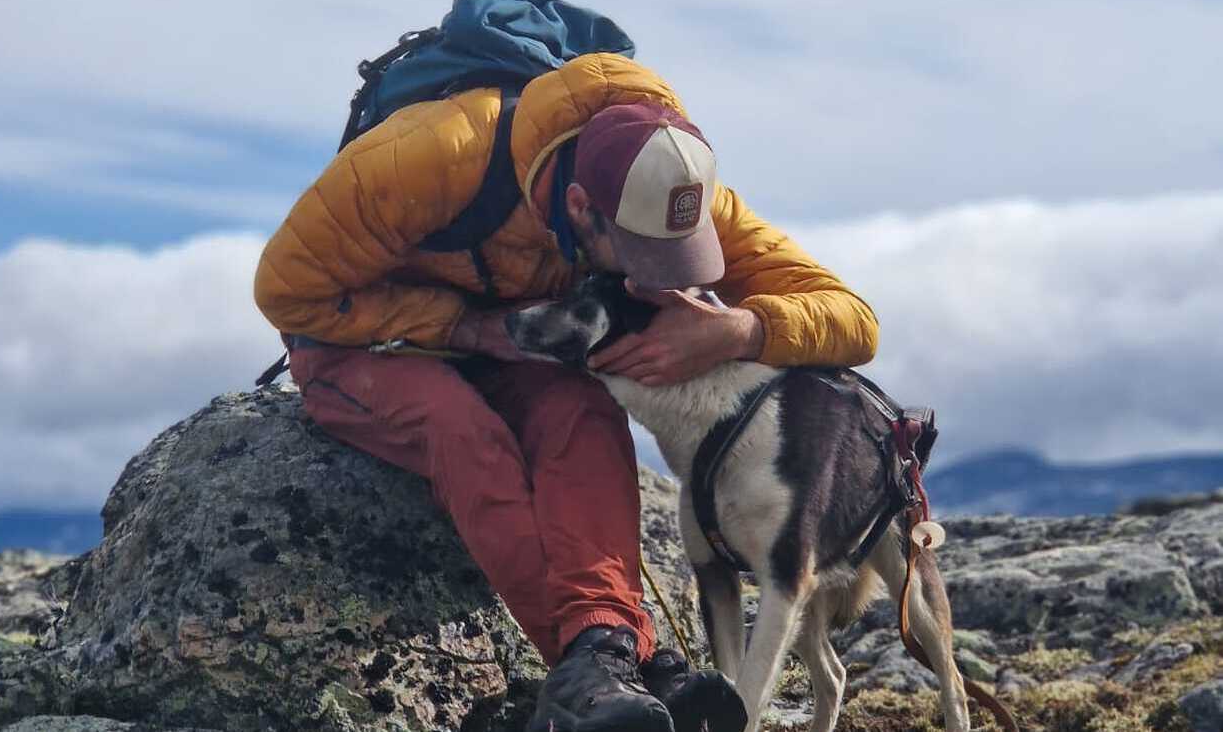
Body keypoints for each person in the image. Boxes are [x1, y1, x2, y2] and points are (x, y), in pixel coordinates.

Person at [254, 52, 878, 732]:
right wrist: (464, 326)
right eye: (643, 259)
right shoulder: (424, 159)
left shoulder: (673, 183)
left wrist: (741, 329)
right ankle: (611, 675)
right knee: (464, 432)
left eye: (681, 260)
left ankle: (606, 654)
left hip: (509, 345)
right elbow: (287, 291)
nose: (663, 281)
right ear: (582, 208)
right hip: (361, 345)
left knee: (585, 411)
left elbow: (853, 319)